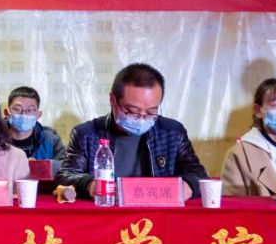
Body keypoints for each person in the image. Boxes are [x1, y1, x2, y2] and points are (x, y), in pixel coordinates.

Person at [56, 63, 207, 198]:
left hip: (157, 214)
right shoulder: (87, 135)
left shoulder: (173, 133)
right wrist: (90, 185)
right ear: (113, 101)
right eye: (132, 111)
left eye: (151, 112)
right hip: (108, 213)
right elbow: (66, 175)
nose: (141, 118)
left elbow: (198, 174)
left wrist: (188, 186)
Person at [5, 86, 67, 172]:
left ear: (38, 114)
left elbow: (66, 168)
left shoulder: (50, 139)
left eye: (30, 110)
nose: (24, 114)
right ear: (7, 112)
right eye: (17, 109)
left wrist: (39, 166)